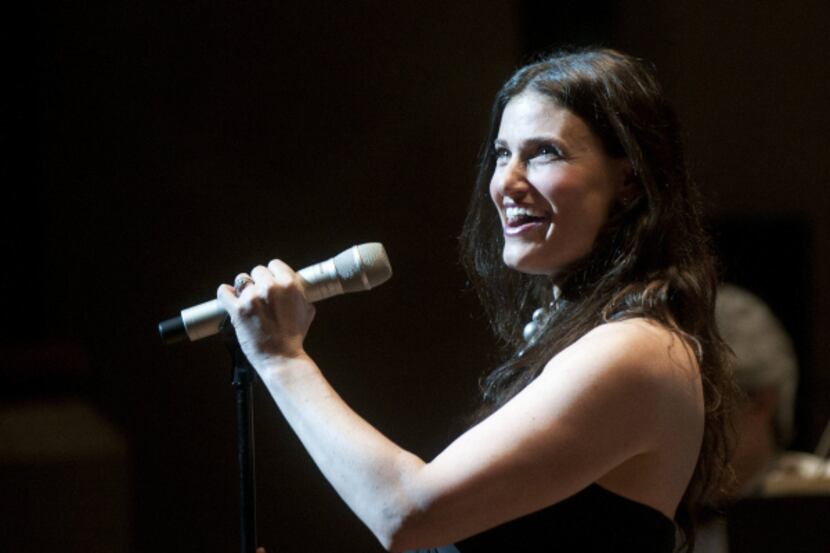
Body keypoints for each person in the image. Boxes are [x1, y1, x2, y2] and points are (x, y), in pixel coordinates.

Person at [216, 48, 736, 552]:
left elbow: (405, 513)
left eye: (544, 153)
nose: (506, 183)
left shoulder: (634, 351)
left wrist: (282, 359)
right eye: (502, 154)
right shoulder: (599, 338)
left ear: (628, 181)